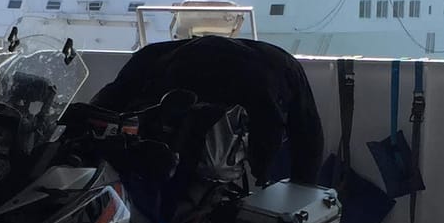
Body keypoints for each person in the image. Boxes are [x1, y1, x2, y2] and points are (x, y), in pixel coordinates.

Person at [93, 34, 325, 185]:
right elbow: (109, 101)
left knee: (300, 133)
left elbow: (271, 124)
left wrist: (262, 173)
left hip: (267, 67)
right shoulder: (149, 61)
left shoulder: (260, 80)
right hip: (247, 59)